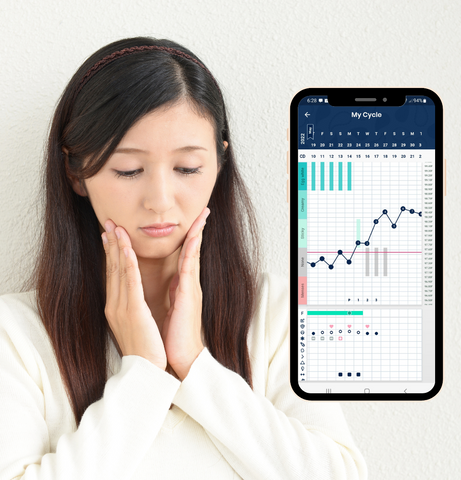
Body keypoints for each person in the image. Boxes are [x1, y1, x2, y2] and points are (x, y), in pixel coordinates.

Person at [0, 37, 368, 479]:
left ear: (219, 163)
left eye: (188, 168)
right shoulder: (15, 335)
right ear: (76, 172)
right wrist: (142, 375)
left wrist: (196, 365)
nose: (159, 200)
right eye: (128, 170)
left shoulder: (277, 314)